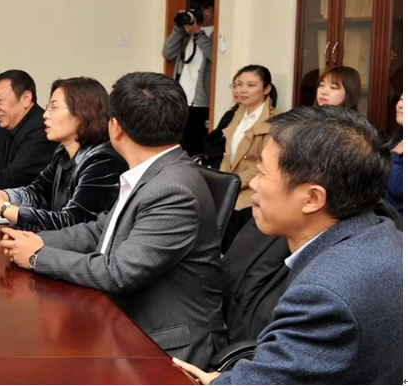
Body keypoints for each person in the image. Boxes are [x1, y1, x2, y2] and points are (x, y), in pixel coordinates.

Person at [0, 72, 225, 368]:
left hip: (164, 346)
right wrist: (38, 240)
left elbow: (120, 272)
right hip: (125, 321)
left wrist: (38, 256)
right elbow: (100, 230)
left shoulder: (172, 188)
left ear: (115, 127)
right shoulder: (152, 171)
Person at [172, 106, 403, 385]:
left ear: (312, 199)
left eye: (262, 174)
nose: (253, 184)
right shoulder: (380, 234)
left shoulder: (325, 295)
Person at [0, 77, 126, 231]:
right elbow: (37, 192)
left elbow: (73, 223)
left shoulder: (103, 161)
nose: (45, 114)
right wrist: (1, 195)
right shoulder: (62, 152)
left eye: (53, 107)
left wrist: (4, 208)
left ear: (82, 113)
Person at [220, 65, 278, 211]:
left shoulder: (274, 121)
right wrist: (221, 180)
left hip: (251, 191)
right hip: (229, 186)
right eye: (239, 84)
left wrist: (233, 182)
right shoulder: (238, 114)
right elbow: (227, 156)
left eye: (251, 85)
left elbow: (265, 164)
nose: (242, 90)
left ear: (267, 89)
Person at [162, 0, 214, 155]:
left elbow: (215, 56)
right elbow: (167, 53)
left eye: (205, 9)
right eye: (198, 9)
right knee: (179, 146)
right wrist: (179, 28)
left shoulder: (215, 33)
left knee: (197, 148)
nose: (201, 13)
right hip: (181, 100)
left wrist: (198, 33)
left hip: (202, 102)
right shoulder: (186, 33)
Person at [386, 94, 402, 213]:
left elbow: (400, 187)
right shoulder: (397, 140)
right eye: (401, 99)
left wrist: (393, 155)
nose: (401, 105)